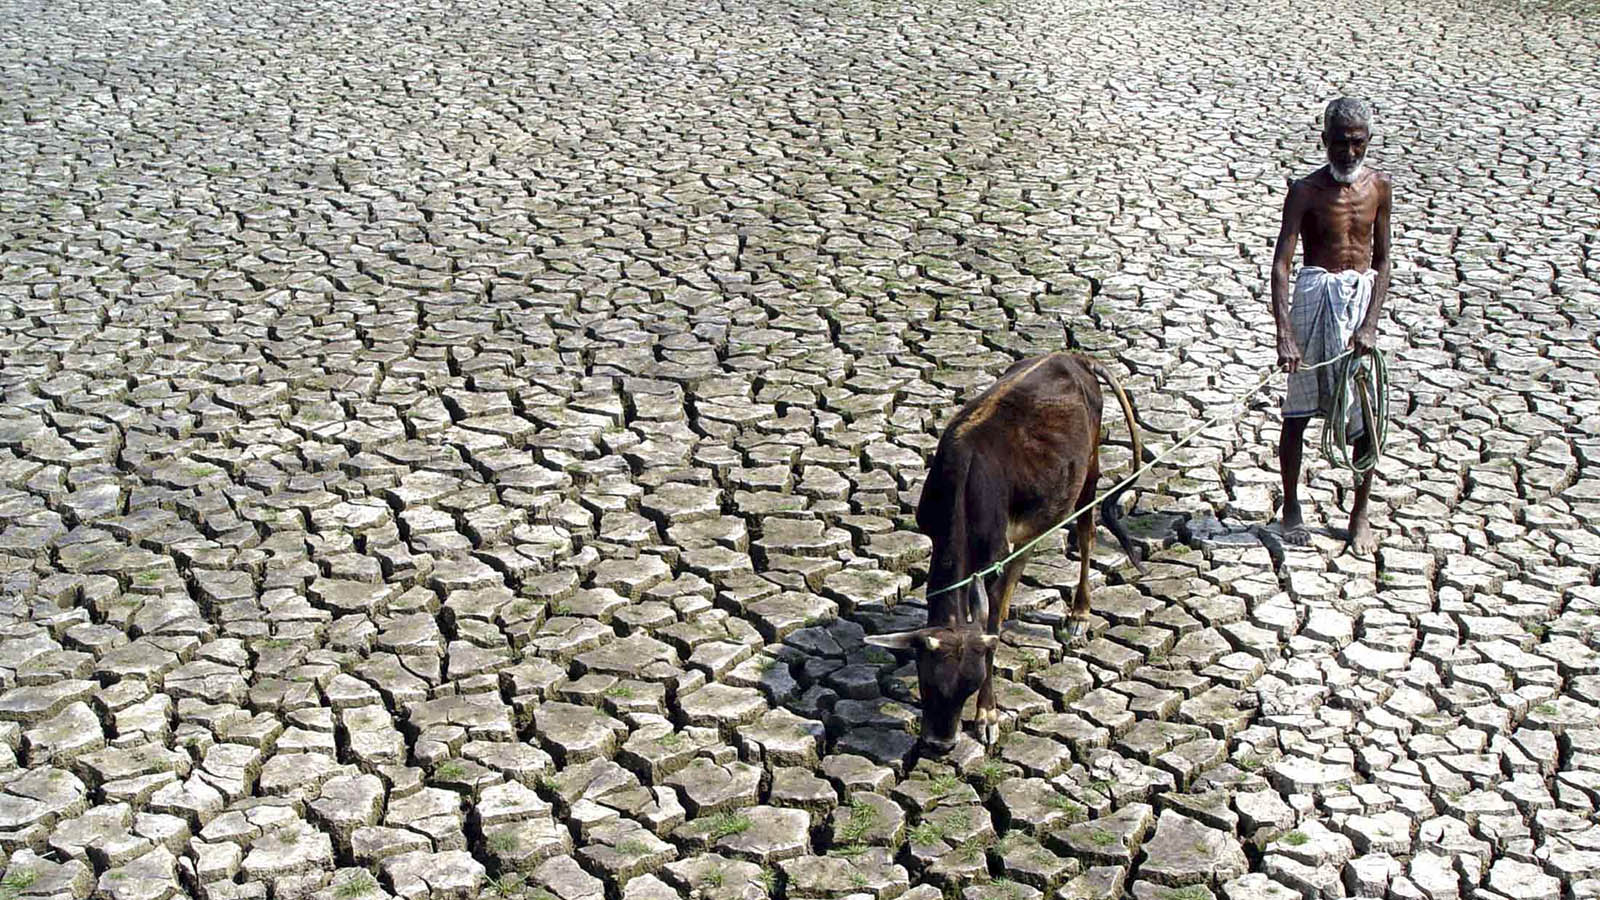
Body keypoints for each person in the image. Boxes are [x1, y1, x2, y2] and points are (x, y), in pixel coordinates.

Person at [1269, 97, 1391, 556]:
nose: (1348, 153)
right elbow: (1281, 265)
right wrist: (1285, 332)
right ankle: (1292, 507)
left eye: (1357, 143)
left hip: (1359, 302)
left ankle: (1359, 515)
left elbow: (1382, 261)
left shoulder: (1379, 188)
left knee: (1364, 417)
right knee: (1297, 414)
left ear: (1367, 142)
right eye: (1339, 143)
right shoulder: (1305, 191)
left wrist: (1371, 325)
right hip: (1313, 297)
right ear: (1324, 142)